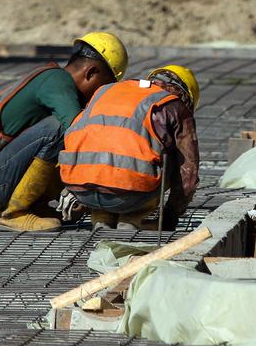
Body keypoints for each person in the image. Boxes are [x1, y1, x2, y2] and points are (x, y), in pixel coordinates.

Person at [0, 32, 129, 232]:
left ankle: (32, 205)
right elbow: (77, 132)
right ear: (91, 72)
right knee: (60, 129)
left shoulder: (54, 81)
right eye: (103, 87)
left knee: (65, 142)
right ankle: (12, 214)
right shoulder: (56, 81)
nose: (99, 95)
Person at [58, 64, 201, 231]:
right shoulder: (174, 105)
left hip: (79, 189)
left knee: (106, 153)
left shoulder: (107, 90)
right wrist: (171, 215)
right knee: (174, 159)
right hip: (130, 196)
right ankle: (131, 219)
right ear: (185, 96)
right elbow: (188, 174)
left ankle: (102, 218)